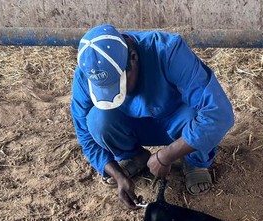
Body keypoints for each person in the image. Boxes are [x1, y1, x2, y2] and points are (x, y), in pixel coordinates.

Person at [70, 24, 235, 210]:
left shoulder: (168, 51)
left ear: (133, 59)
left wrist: (167, 156)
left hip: (178, 121)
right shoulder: (87, 73)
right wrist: (116, 174)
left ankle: (194, 160)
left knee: (199, 113)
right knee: (97, 120)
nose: (116, 92)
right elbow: (83, 132)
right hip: (132, 124)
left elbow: (220, 114)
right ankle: (135, 156)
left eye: (118, 83)